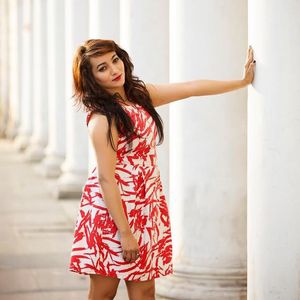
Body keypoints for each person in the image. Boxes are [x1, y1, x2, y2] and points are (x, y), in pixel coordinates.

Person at [69, 39, 256, 300]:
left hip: (146, 209)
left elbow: (190, 88)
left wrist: (242, 82)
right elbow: (106, 179)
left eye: (114, 59)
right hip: (111, 215)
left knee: (145, 291)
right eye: (102, 68)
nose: (113, 69)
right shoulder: (102, 119)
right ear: (91, 79)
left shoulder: (138, 96)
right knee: (103, 293)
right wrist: (125, 233)